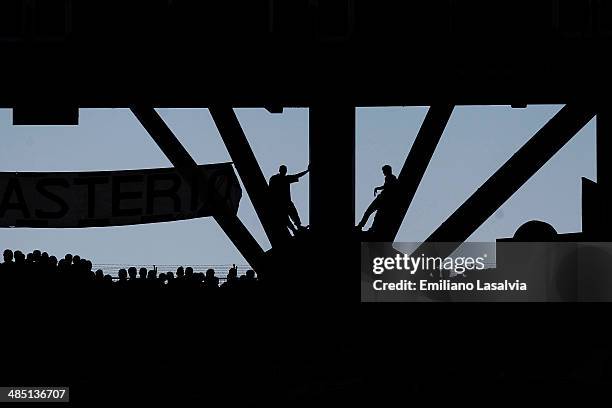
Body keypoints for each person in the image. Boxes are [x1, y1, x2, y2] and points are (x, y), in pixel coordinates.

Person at [269, 164, 310, 234]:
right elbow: (297, 175)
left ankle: (295, 229)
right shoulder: (283, 178)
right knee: (290, 216)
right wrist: (307, 171)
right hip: (283, 202)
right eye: (284, 170)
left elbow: (297, 175)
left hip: (281, 203)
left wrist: (307, 171)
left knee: (288, 217)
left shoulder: (275, 178)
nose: (285, 172)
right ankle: (296, 228)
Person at [357, 165, 398, 230]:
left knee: (373, 214)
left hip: (383, 199)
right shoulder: (390, 177)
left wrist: (378, 188)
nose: (383, 172)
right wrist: (378, 188)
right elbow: (387, 186)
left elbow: (388, 187)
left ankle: (365, 227)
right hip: (383, 199)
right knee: (374, 214)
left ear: (387, 170)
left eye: (384, 171)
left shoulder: (391, 178)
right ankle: (367, 227)